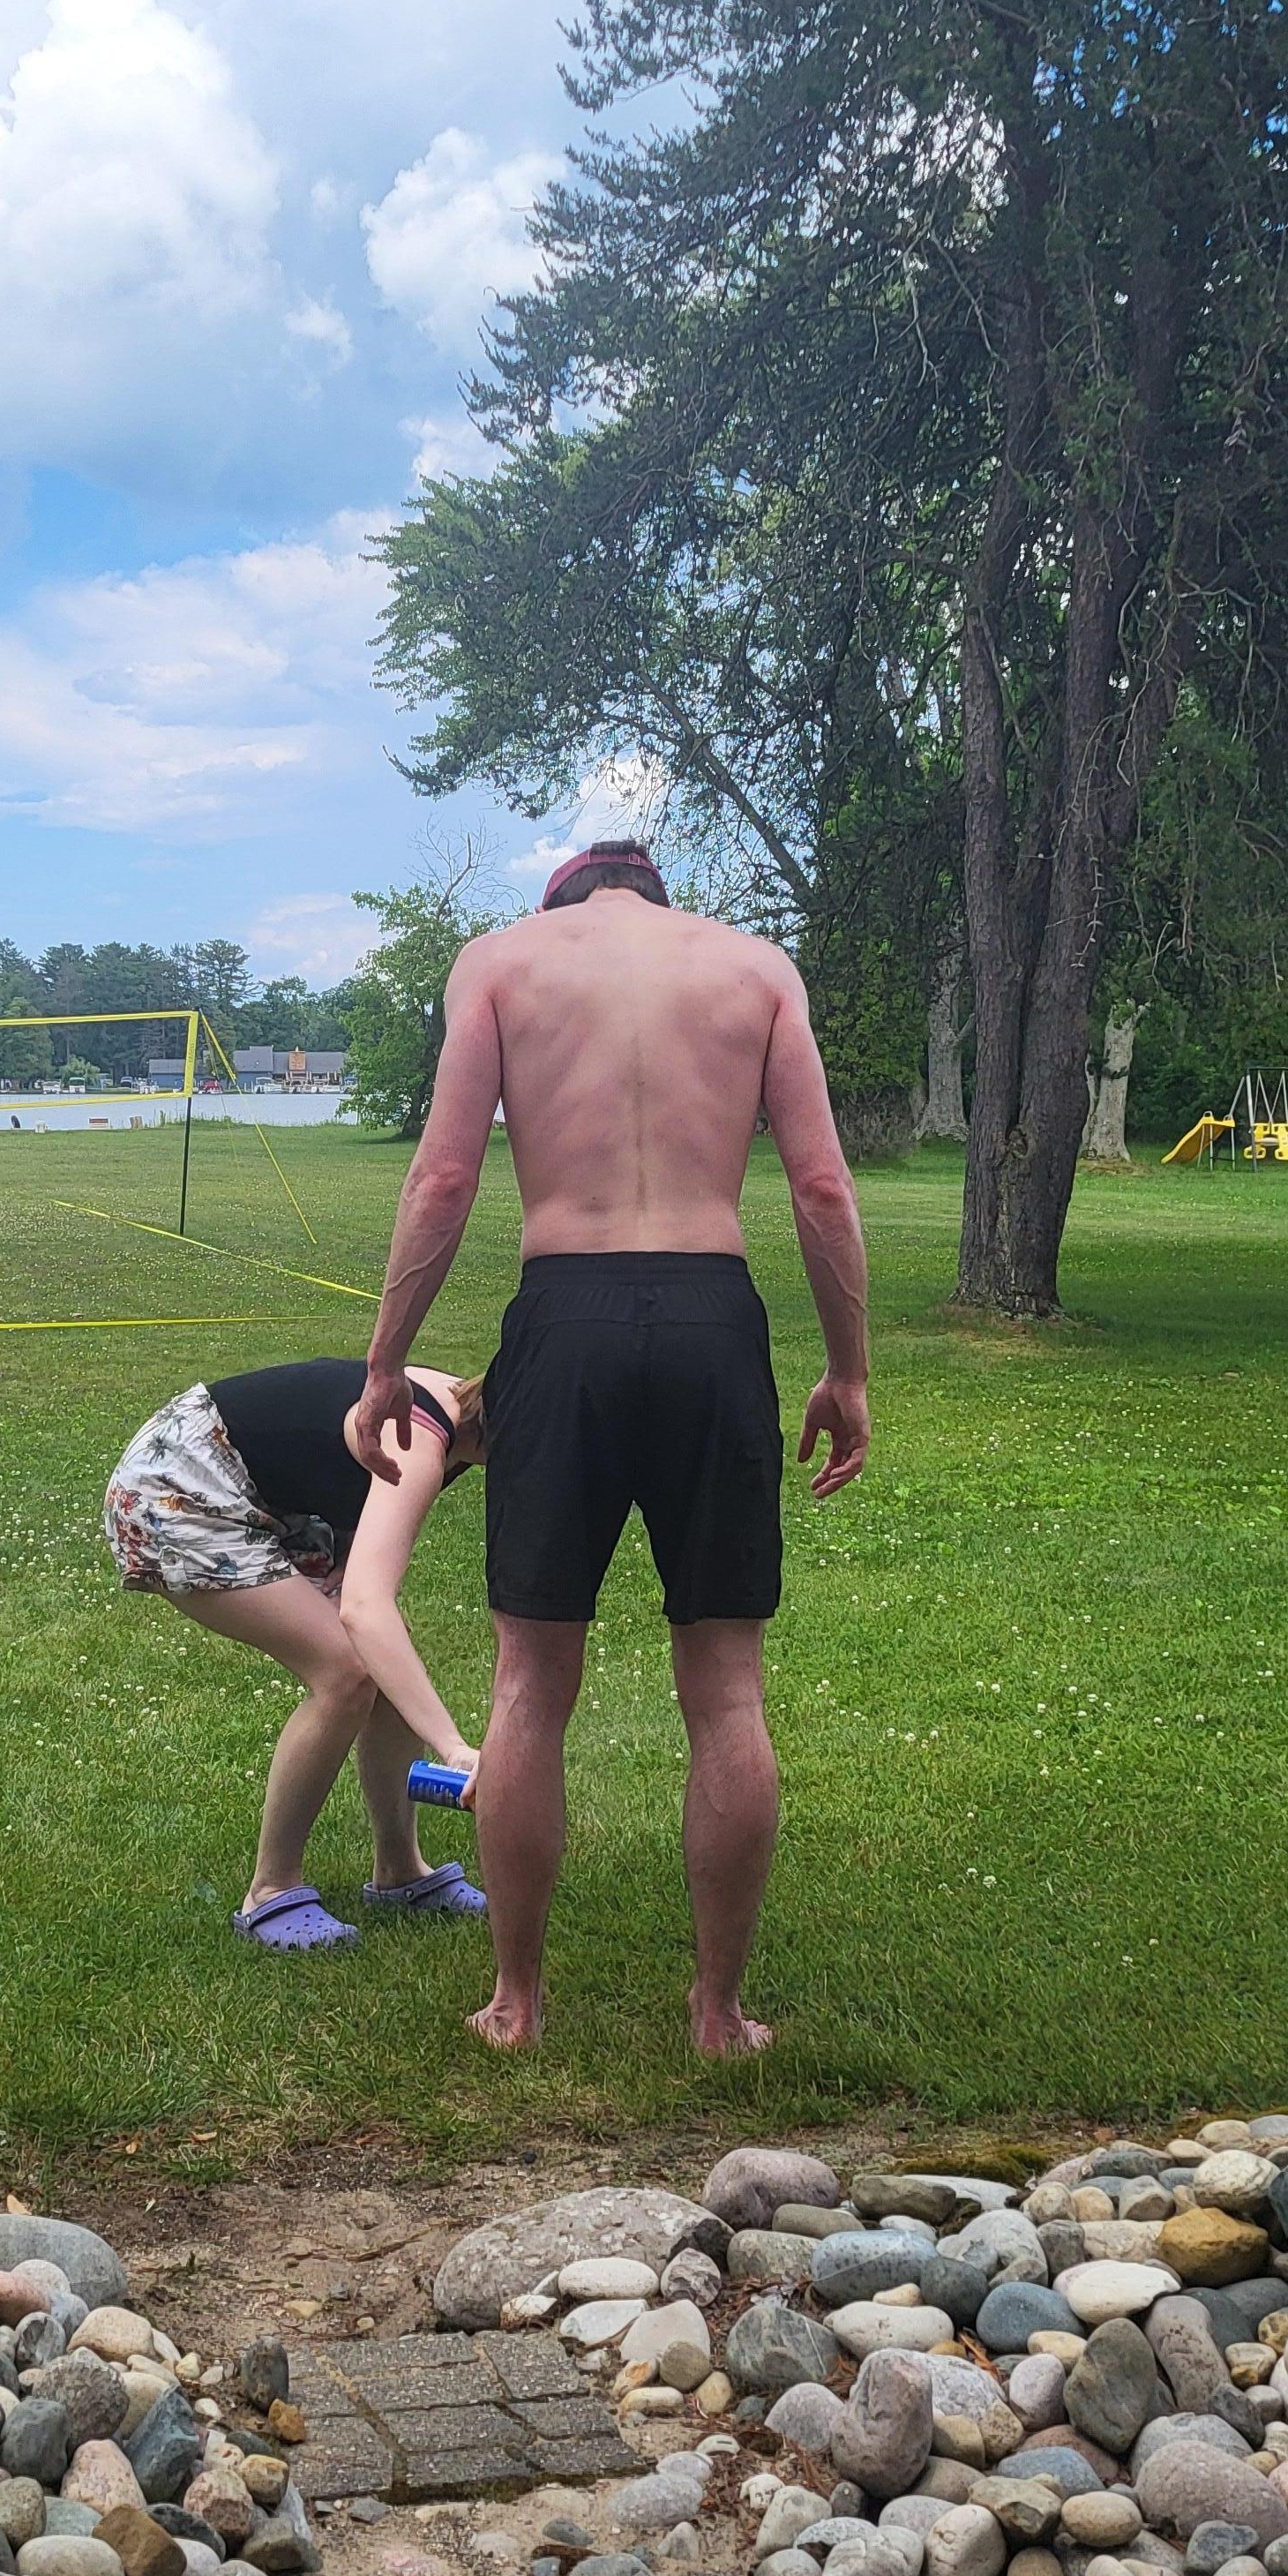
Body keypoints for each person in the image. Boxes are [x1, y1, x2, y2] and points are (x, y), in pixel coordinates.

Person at [348, 838, 870, 2055]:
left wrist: (386, 1363)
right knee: (727, 1687)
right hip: (711, 1320)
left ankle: (517, 2005)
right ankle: (718, 2015)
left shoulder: (503, 961)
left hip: (565, 1318)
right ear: (654, 896)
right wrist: (846, 1370)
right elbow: (823, 1189)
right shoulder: (753, 969)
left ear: (561, 899)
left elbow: (442, 1178)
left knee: (529, 1683)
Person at [104, 1354, 490, 1949]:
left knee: (385, 1663)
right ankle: (270, 1891)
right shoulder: (419, 1438)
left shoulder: (463, 1420)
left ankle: (400, 1871)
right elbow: (366, 1608)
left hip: (266, 1493)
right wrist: (454, 1749)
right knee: (346, 1672)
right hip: (180, 1487)